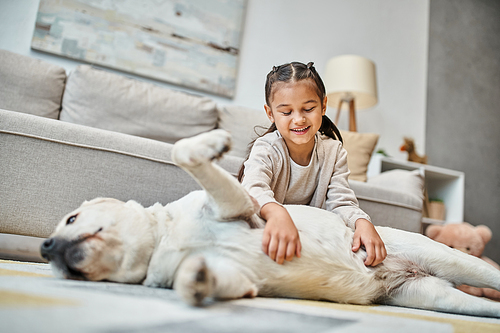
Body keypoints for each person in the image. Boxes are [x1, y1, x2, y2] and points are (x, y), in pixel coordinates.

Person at [238, 61, 386, 267]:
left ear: (323, 106)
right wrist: (276, 213)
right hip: (268, 229)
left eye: (308, 108)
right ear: (270, 113)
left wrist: (362, 222)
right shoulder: (267, 147)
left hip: (309, 237)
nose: (298, 119)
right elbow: (253, 188)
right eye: (287, 112)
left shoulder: (334, 151)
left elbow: (341, 202)